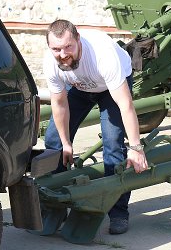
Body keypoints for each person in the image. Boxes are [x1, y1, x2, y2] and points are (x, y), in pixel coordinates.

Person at [43, 19, 148, 235]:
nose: (62, 54)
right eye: (56, 49)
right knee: (53, 142)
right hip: (81, 87)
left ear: (78, 40)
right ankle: (57, 205)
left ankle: (118, 212)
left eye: (68, 47)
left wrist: (137, 148)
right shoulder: (51, 62)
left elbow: (125, 105)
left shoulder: (103, 55)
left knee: (112, 145)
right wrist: (66, 143)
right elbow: (60, 103)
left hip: (111, 90)